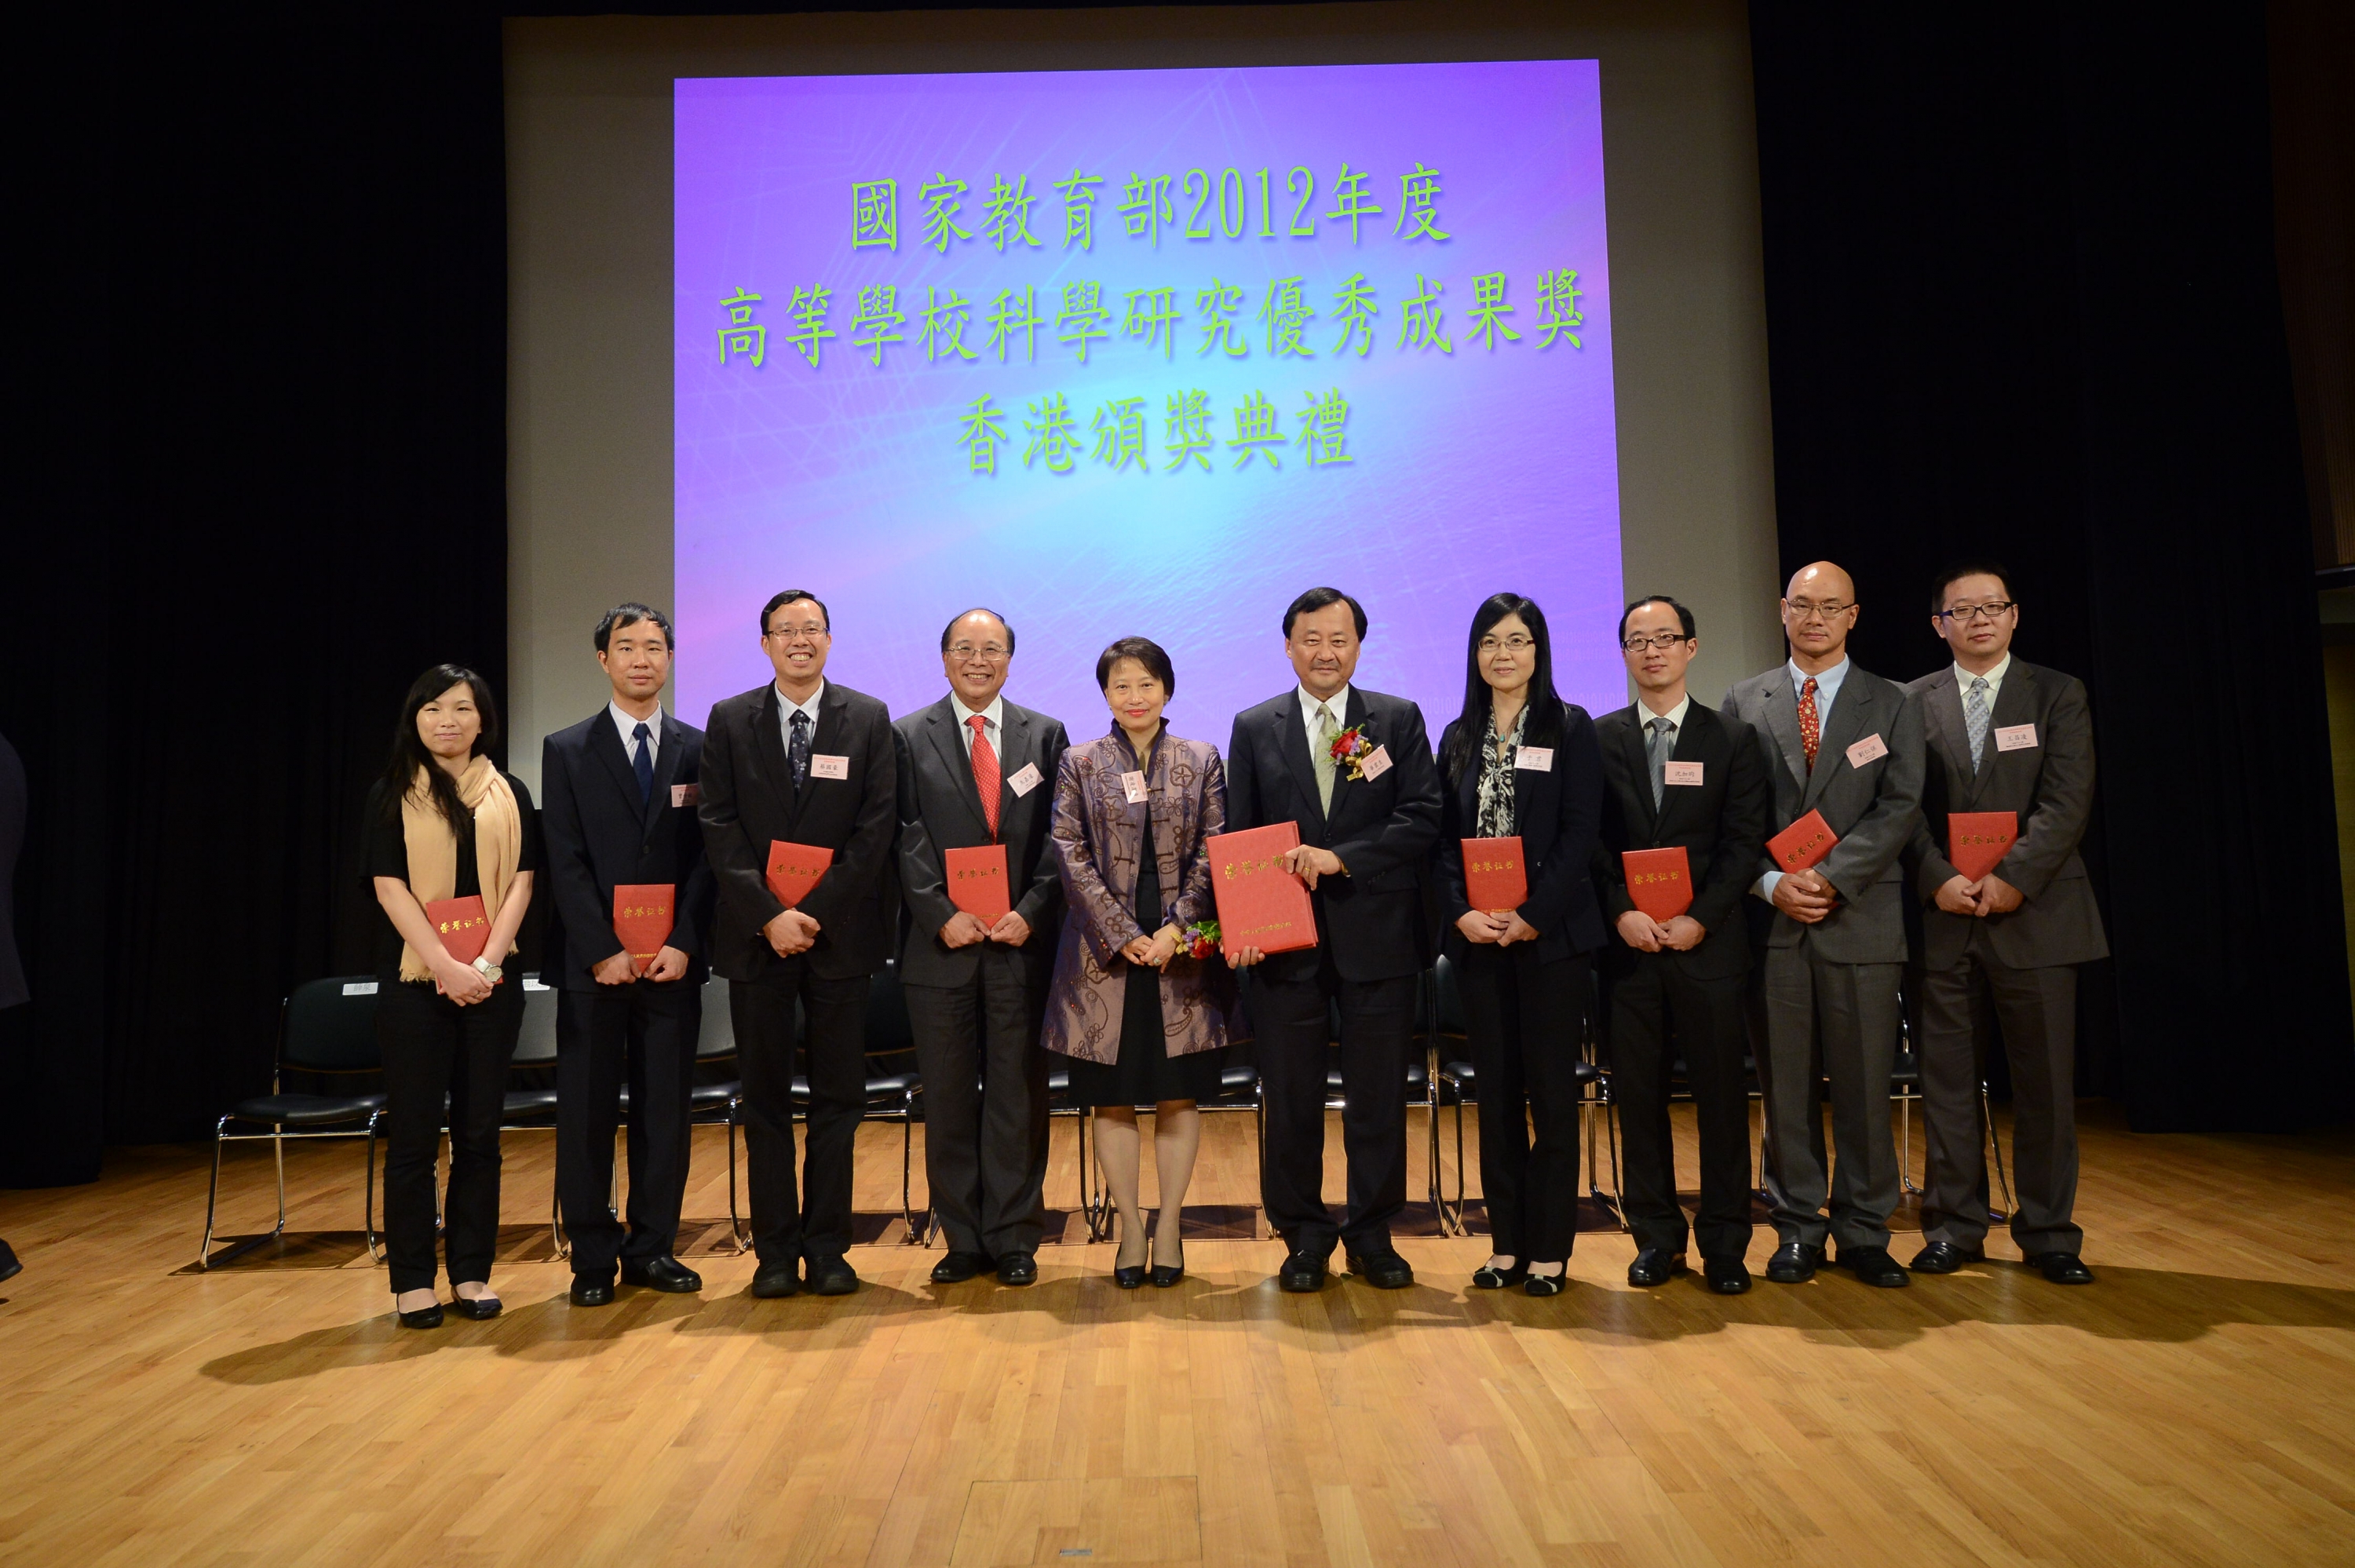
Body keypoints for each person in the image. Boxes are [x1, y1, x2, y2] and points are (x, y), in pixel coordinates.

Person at [1225, 588, 1443, 1293]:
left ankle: (1372, 1233)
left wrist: (1341, 857)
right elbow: (1242, 835)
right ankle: (1303, 1236)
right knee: (1289, 1097)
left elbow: (1422, 817)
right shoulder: (1256, 725)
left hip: (1378, 937)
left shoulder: (1397, 719)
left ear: (1359, 645)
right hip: (1286, 945)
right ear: (1288, 645)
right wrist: (1247, 925)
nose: (1326, 652)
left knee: (1378, 1095)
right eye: (1312, 638)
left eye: (1340, 639)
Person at [1722, 563, 1924, 1289]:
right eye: (1803, 605)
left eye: (1830, 606)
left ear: (1853, 615)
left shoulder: (1893, 702)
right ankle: (1798, 1227)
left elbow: (1901, 805)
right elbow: (1730, 815)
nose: (1815, 618)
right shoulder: (1746, 699)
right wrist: (1772, 883)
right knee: (1787, 1089)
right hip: (1773, 924)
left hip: (1861, 919)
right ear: (1783, 611)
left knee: (1868, 1086)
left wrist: (1833, 879)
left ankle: (1865, 1231)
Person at [1903, 563, 2105, 1285]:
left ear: (2014, 616)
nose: (1979, 620)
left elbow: (2067, 800)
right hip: (1944, 918)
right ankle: (1955, 1227)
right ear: (1939, 625)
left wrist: (2013, 879)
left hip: (2039, 916)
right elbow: (1903, 809)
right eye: (1962, 610)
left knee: (2047, 1088)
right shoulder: (1909, 702)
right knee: (1948, 1085)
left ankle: (2050, 1232)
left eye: (1993, 607)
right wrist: (1939, 879)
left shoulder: (2057, 693)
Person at [698, 590, 896, 1299]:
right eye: (786, 631)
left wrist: (811, 912)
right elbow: (717, 824)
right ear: (765, 643)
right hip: (757, 943)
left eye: (812, 630)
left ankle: (830, 1249)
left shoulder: (868, 718)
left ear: (830, 641)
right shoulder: (729, 719)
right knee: (765, 1103)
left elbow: (876, 831)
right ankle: (775, 1253)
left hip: (839, 940)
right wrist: (768, 914)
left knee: (840, 1100)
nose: (800, 641)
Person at [539, 603, 717, 1307]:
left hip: (671, 965)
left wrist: (683, 942)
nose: (641, 659)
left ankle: (652, 1250)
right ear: (603, 660)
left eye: (654, 647)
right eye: (627, 647)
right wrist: (601, 950)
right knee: (585, 1115)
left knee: (664, 1114)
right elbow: (565, 858)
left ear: (670, 659)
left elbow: (709, 858)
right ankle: (591, 1259)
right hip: (596, 969)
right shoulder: (568, 748)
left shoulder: (700, 748)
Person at [1593, 596, 1771, 1294]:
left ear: (1691, 649)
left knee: (1723, 1099)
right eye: (1637, 641)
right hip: (1630, 950)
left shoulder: (1731, 739)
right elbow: (1592, 846)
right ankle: (1656, 1238)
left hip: (1709, 948)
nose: (1652, 651)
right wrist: (1620, 913)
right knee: (1637, 1100)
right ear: (1625, 654)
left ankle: (1725, 1244)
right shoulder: (1599, 739)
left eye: (1665, 638)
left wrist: (1702, 917)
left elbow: (1742, 844)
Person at [1043, 638, 1232, 1288]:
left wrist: (1176, 931)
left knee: (1179, 1097)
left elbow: (1217, 849)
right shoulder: (1079, 761)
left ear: (1168, 690)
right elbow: (1067, 848)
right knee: (1112, 1102)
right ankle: (1128, 1228)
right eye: (1121, 686)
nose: (1135, 696)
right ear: (1105, 695)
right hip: (1105, 959)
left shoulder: (1201, 758)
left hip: (1181, 955)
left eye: (1147, 683)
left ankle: (1172, 1225)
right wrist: (1123, 932)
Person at [1434, 594, 1605, 1297]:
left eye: (1517, 641)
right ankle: (1505, 1244)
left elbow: (1579, 833)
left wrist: (1533, 913)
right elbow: (1440, 842)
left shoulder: (1570, 727)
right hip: (1479, 944)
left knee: (1551, 1100)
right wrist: (1461, 916)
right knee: (1496, 1098)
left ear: (1539, 651)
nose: (1503, 655)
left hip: (1550, 943)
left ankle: (1551, 1250)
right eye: (1489, 643)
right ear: (1475, 656)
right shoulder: (1456, 735)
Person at [895, 609, 1070, 1287]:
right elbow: (902, 834)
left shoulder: (1044, 735)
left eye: (990, 649)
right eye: (964, 649)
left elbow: (1064, 837)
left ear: (1009, 659)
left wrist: (1032, 910)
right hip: (941, 948)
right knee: (946, 1095)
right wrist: (941, 913)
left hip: (1020, 945)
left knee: (1017, 1095)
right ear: (943, 659)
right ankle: (963, 1236)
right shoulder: (909, 735)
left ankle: (1016, 1234)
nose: (977, 659)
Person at [365, 665, 539, 1328]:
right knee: (413, 1138)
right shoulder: (390, 795)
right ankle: (412, 1280)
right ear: (416, 719)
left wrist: (487, 965)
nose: (448, 720)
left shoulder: (511, 792)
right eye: (433, 708)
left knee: (479, 1138)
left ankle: (470, 1273)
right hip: (417, 985)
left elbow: (524, 882)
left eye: (462, 709)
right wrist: (444, 964)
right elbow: (388, 887)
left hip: (492, 986)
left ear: (482, 720)